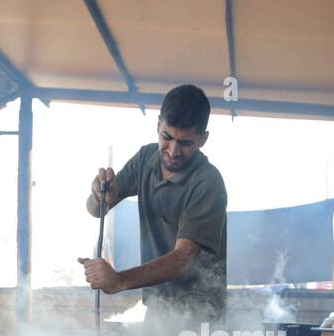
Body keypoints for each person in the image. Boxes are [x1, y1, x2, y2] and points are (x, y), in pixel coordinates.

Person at [80, 85, 227, 321]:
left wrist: (120, 280)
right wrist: (100, 195)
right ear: (158, 126)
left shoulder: (208, 182)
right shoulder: (144, 159)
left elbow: (184, 258)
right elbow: (95, 210)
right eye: (167, 137)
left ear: (203, 139)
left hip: (202, 315)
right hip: (158, 309)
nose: (173, 151)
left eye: (185, 142)